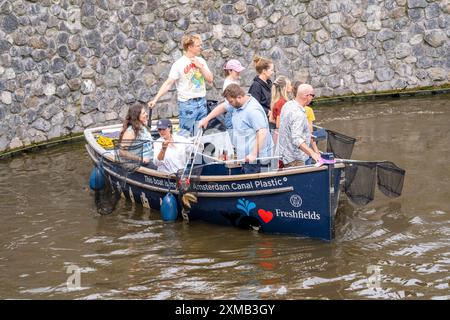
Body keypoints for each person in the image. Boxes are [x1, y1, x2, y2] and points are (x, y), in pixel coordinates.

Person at [199, 84, 273, 174]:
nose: (229, 104)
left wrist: (253, 154)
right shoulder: (237, 104)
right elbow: (223, 107)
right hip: (246, 158)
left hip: (256, 159)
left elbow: (262, 132)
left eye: (230, 102)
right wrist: (207, 119)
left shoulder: (253, 111)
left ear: (239, 97)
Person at [147, 34, 213, 136]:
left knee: (200, 135)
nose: (201, 47)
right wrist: (155, 99)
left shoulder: (201, 61)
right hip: (187, 104)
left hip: (202, 101)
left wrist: (200, 67)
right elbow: (168, 83)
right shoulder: (179, 64)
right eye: (198, 45)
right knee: (185, 134)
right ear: (190, 47)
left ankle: (198, 152)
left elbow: (210, 79)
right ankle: (184, 152)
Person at [278, 84, 320, 168]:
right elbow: (296, 139)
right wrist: (313, 153)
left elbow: (287, 128)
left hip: (284, 154)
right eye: (313, 95)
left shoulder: (287, 105)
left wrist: (307, 135)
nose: (313, 98)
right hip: (295, 159)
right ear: (307, 96)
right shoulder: (298, 114)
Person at [118, 103, 156, 168]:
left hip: (150, 160)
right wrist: (140, 159)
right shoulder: (131, 131)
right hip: (138, 165)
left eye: (145, 112)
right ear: (137, 116)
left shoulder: (143, 127)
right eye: (143, 113)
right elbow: (122, 152)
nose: (146, 114)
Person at [292, 81, 320, 157]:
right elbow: (310, 131)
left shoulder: (288, 106)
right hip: (303, 149)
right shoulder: (308, 110)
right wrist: (315, 150)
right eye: (312, 95)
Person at [248, 56, 274, 127]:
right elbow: (253, 105)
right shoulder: (256, 86)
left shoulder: (269, 83)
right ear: (264, 71)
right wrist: (268, 112)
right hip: (261, 122)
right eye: (271, 70)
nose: (273, 72)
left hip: (270, 120)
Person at [222, 59, 245, 129]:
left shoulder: (233, 82)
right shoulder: (229, 84)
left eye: (239, 71)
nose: (238, 73)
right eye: (236, 71)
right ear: (230, 71)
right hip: (231, 113)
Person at [269, 75, 292, 144]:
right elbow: (279, 124)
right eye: (290, 85)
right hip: (281, 136)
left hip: (276, 134)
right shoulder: (282, 102)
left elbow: (271, 119)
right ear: (284, 87)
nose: (291, 87)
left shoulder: (276, 100)